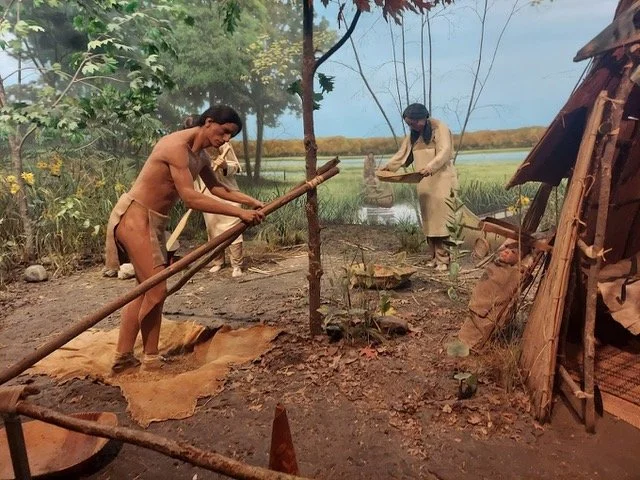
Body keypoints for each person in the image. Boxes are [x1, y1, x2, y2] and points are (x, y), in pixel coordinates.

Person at [105, 105, 264, 373]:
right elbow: (191, 198)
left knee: (145, 291)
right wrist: (240, 214)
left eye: (231, 137)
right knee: (156, 290)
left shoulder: (200, 156)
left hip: (154, 222)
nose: (225, 140)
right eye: (224, 133)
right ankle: (150, 360)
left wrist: (251, 202)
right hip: (135, 216)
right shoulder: (174, 146)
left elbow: (216, 189)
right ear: (209, 122)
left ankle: (124, 357)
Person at [378, 103, 458, 271]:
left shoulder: (439, 128)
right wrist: (387, 168)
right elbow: (402, 155)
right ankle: (433, 257)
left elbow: (445, 151)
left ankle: (444, 259)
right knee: (429, 221)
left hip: (441, 179)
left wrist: (431, 167)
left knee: (441, 220)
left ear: (423, 117)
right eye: (409, 124)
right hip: (423, 182)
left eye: (414, 123)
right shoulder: (414, 135)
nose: (412, 126)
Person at [198, 142, 245, 277]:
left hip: (229, 193)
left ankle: (236, 265)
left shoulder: (224, 145)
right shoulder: (193, 149)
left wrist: (225, 166)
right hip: (207, 194)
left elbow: (236, 167)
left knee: (233, 229)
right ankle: (217, 261)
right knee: (213, 229)